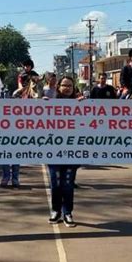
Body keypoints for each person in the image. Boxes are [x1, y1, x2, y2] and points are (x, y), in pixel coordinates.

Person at [47, 76, 82, 227]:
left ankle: (67, 212)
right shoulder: (49, 104)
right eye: (64, 85)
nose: (67, 88)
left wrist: (85, 106)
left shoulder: (81, 105)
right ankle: (56, 211)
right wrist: (42, 106)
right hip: (54, 151)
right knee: (55, 184)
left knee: (68, 184)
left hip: (73, 151)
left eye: (70, 86)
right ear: (58, 87)